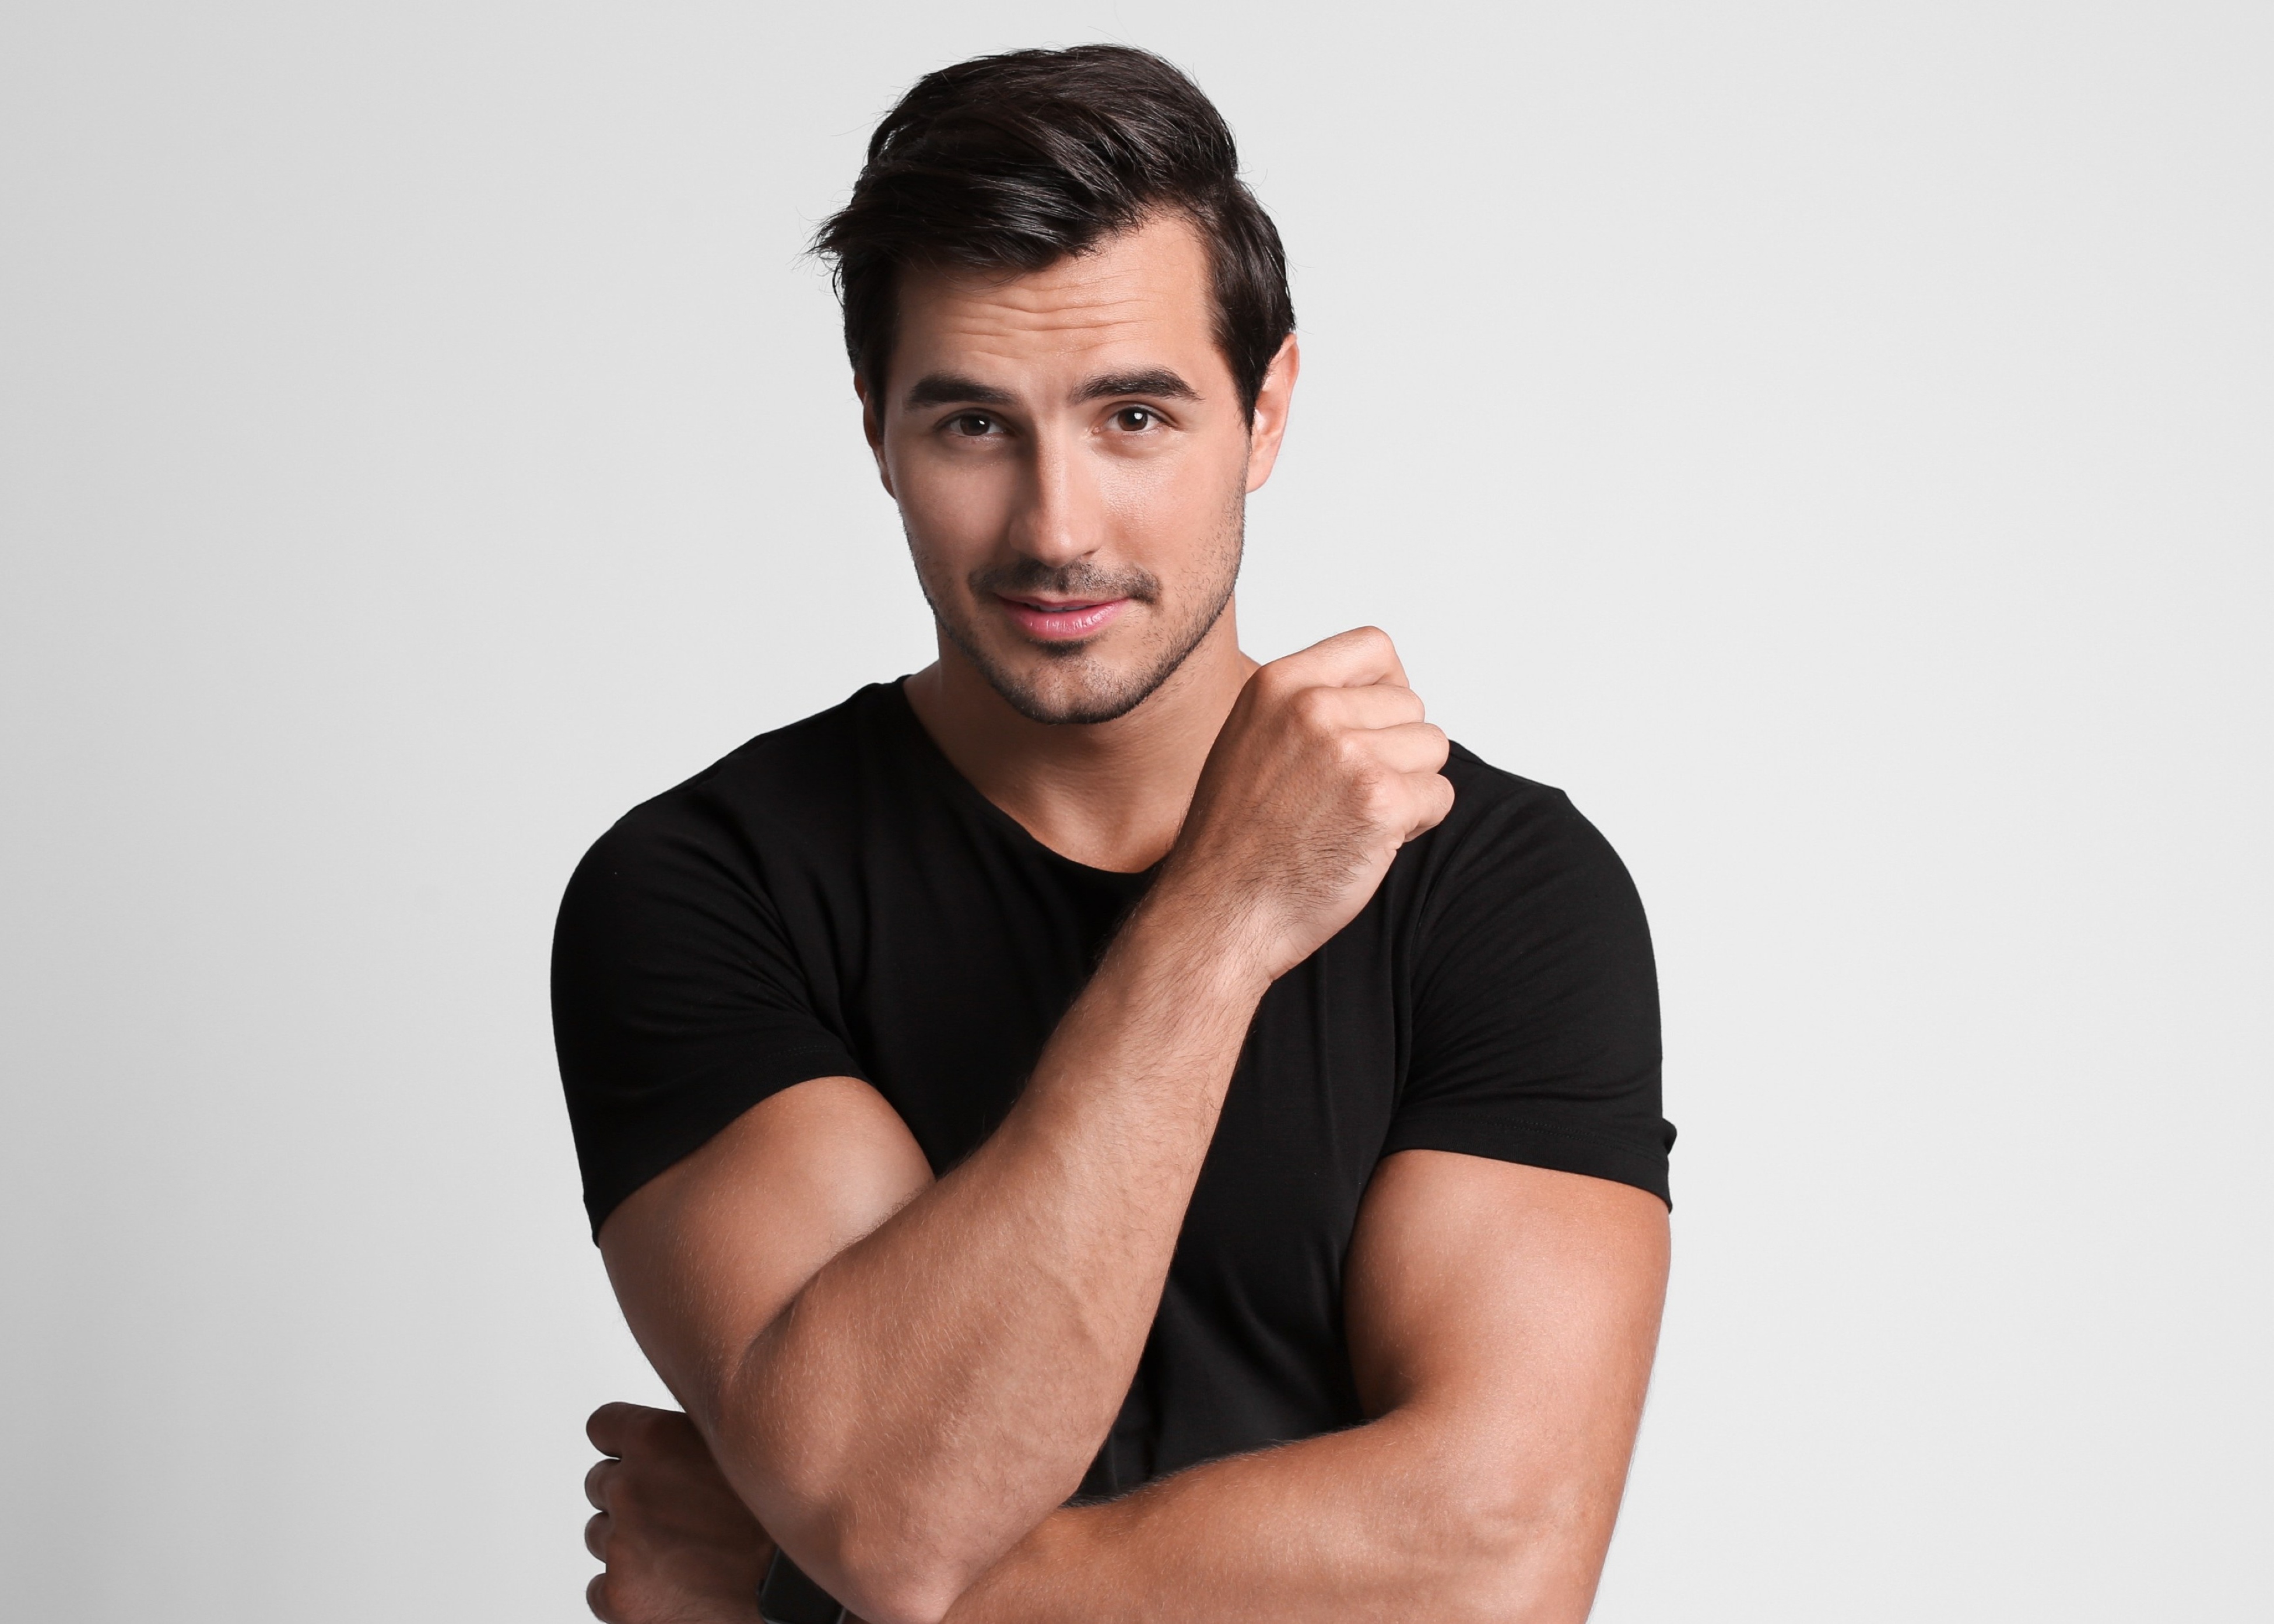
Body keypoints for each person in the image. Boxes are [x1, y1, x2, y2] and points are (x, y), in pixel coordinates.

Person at [555, 44, 1673, 1624]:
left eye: (1133, 414)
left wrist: (784, 1580)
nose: (1057, 526)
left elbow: (1487, 1559)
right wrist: (1217, 920)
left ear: (1264, 407)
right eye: (969, 425)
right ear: (875, 426)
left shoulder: (1497, 884)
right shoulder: (704, 887)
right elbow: (890, 1500)